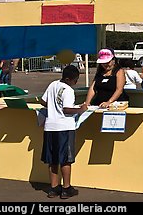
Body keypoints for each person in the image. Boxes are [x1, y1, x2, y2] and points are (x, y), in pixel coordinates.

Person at [38, 65, 87, 199]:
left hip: (50, 126)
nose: (75, 83)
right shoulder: (69, 91)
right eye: (75, 80)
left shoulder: (53, 84)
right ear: (69, 79)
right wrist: (80, 109)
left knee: (52, 159)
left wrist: (53, 107)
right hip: (64, 127)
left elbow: (43, 101)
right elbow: (66, 109)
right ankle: (66, 187)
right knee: (66, 159)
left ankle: (53, 187)